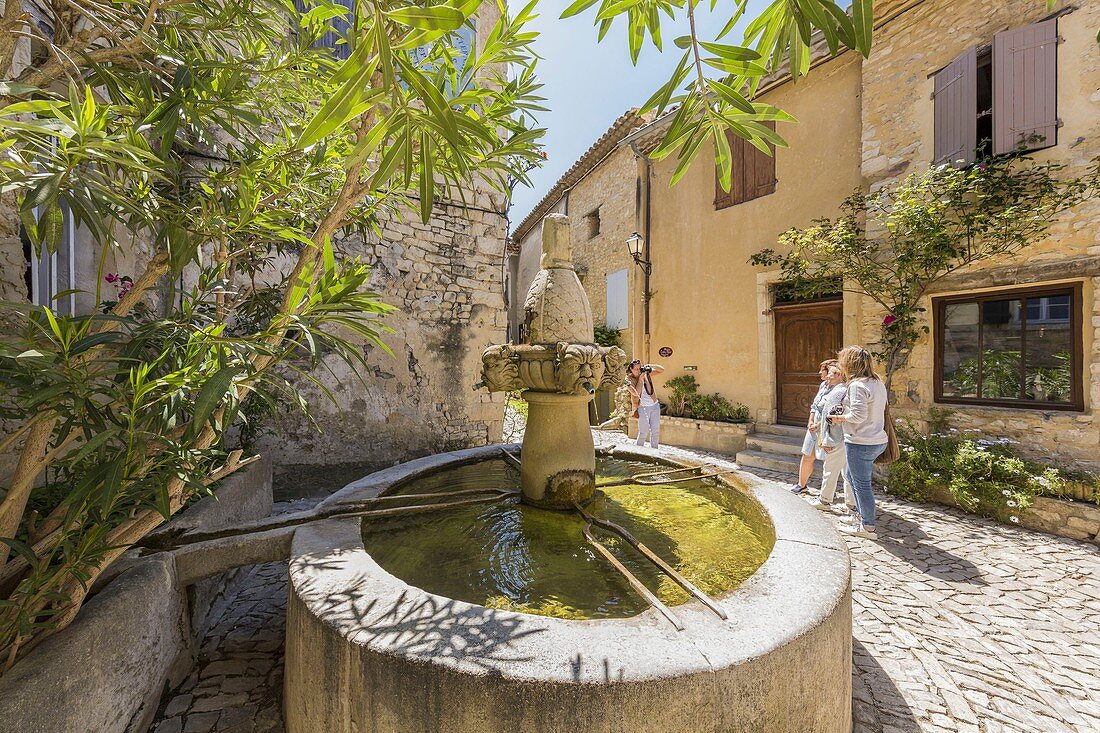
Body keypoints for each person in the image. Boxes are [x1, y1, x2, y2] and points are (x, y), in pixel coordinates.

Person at [831, 345, 889, 539]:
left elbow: (858, 415)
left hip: (861, 441)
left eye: (842, 361)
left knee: (862, 484)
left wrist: (839, 418)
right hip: (876, 439)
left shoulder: (857, 385)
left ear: (849, 363)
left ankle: (868, 527)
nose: (840, 365)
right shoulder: (877, 382)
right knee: (850, 475)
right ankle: (859, 516)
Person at [807, 363, 855, 514]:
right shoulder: (847, 389)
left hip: (837, 437)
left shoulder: (837, 392)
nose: (827, 375)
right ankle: (851, 504)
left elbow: (830, 418)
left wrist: (827, 440)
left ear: (840, 375)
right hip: (848, 436)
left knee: (830, 469)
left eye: (831, 373)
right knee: (847, 472)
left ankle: (824, 501)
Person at [791, 360, 837, 494]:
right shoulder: (823, 385)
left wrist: (819, 425)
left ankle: (828, 491)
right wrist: (810, 421)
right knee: (807, 456)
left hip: (827, 428)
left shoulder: (839, 390)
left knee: (828, 461)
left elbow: (832, 411)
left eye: (822, 370)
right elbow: (815, 405)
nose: (819, 373)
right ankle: (801, 485)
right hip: (813, 427)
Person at [627, 359, 665, 449]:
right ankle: (638, 451)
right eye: (636, 369)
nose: (638, 371)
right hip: (642, 408)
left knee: (655, 431)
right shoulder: (628, 380)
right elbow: (635, 393)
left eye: (640, 368)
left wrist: (650, 365)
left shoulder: (646, 374)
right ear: (631, 369)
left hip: (654, 406)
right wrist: (640, 379)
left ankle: (654, 451)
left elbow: (661, 369)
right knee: (643, 432)